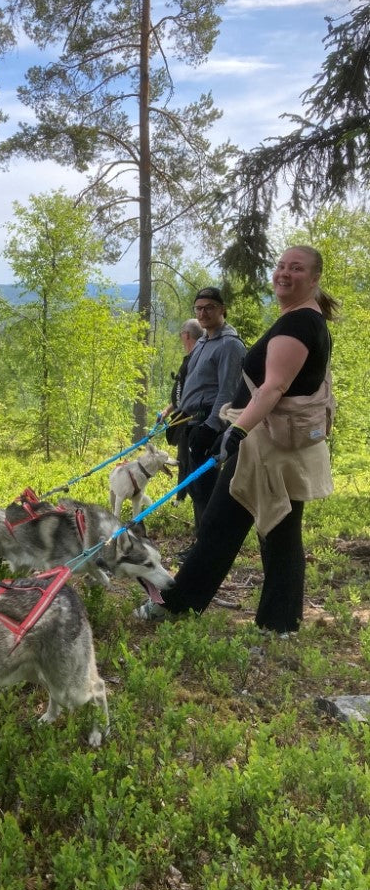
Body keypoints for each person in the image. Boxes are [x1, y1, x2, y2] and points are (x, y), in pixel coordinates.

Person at [134, 245, 337, 636]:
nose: (283, 273)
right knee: (245, 524)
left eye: (296, 268)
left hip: (267, 448)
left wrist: (235, 431)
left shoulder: (298, 325)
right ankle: (258, 619)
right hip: (272, 446)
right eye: (280, 265)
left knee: (257, 526)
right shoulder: (303, 319)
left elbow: (273, 388)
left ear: (313, 280)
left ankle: (266, 622)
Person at [175, 288, 246, 537]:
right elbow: (194, 381)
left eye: (209, 307)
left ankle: (207, 545)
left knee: (206, 489)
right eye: (199, 308)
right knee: (195, 487)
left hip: (209, 424)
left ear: (222, 309)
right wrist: (179, 410)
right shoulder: (204, 340)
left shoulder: (229, 345)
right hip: (192, 421)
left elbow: (228, 391)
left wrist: (211, 427)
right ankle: (200, 542)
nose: (203, 313)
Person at [162, 317, 203, 502]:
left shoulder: (195, 360)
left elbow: (191, 394)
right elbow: (185, 391)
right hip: (184, 416)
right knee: (183, 459)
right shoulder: (192, 359)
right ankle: (181, 497)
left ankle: (189, 498)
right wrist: (168, 409)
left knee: (188, 461)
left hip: (191, 420)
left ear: (186, 335)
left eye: (181, 336)